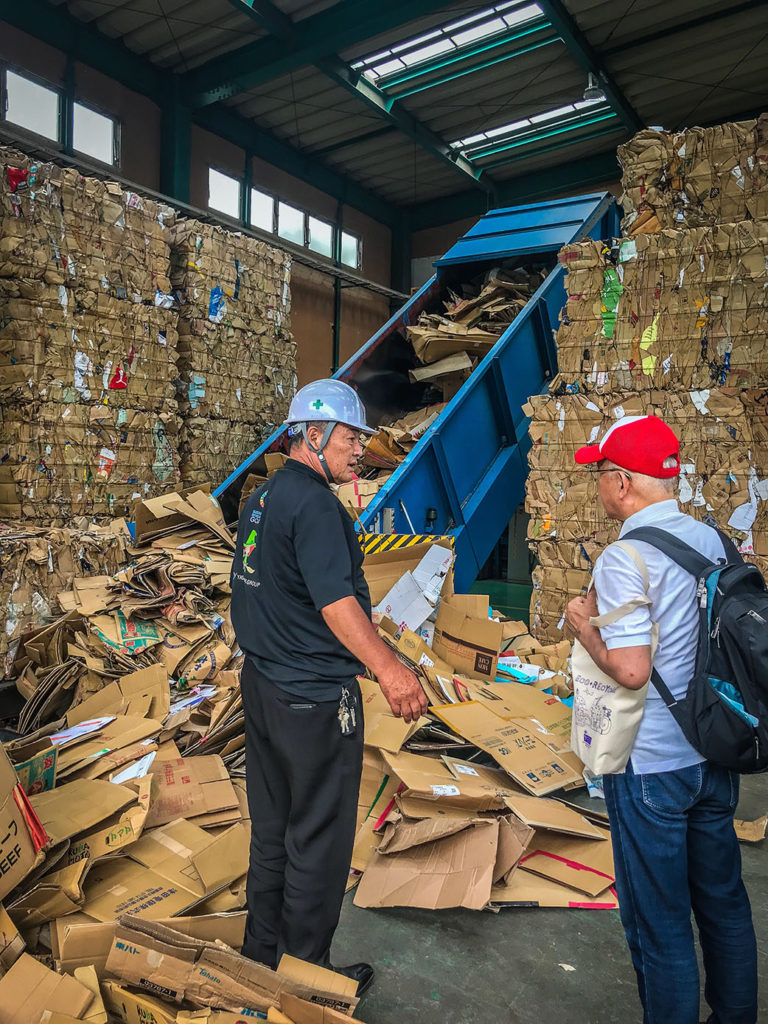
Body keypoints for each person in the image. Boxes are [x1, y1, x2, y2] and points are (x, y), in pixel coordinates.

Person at [230, 378, 427, 995]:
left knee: (273, 831)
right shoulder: (315, 506)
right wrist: (392, 670)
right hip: (312, 701)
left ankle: (259, 959)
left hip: (262, 689)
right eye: (349, 437)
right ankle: (306, 977)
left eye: (361, 438)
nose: (360, 449)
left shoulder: (264, 498)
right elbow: (337, 605)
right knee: (317, 839)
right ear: (311, 435)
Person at [564, 414, 758, 1024]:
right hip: (713, 751)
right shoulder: (715, 542)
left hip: (651, 764)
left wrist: (583, 629)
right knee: (724, 903)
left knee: (660, 920)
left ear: (623, 483)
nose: (597, 486)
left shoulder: (625, 556)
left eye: (600, 473)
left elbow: (629, 670)